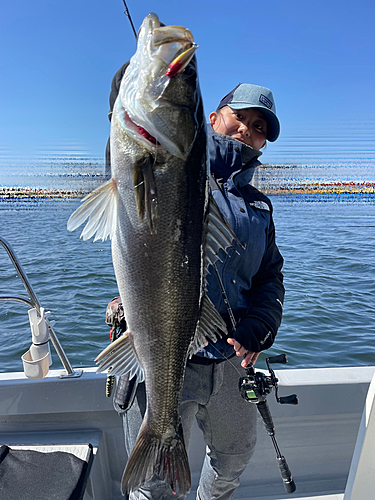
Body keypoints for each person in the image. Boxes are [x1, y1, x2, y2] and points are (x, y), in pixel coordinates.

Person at [106, 76, 285, 500]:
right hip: (165, 352)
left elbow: (271, 274)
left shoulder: (260, 204)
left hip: (230, 357)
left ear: (265, 143)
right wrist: (128, 94)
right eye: (240, 117)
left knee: (235, 456)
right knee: (153, 486)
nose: (248, 130)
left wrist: (261, 323)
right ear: (213, 117)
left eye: (260, 127)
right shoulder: (177, 170)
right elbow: (130, 168)